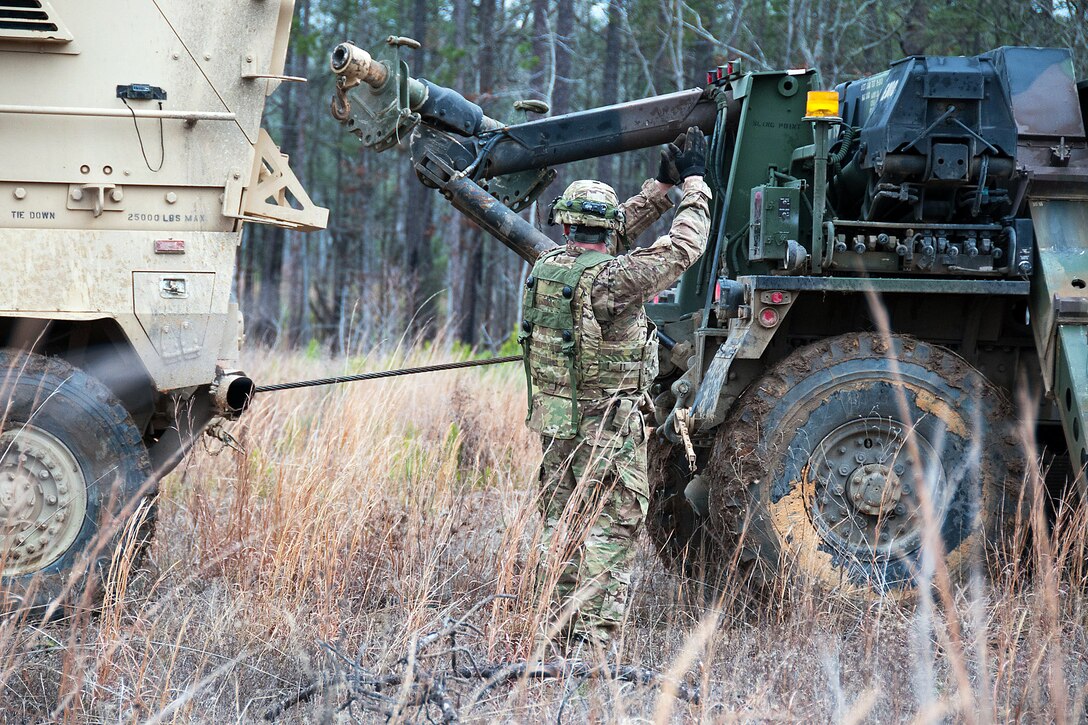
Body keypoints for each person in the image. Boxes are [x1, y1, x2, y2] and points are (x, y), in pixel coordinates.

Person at [518, 126, 712, 648]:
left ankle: (555, 635)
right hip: (609, 426)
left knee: (563, 523)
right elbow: (686, 245)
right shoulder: (614, 279)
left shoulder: (548, 269)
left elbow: (611, 233)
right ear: (606, 233)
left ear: (565, 227)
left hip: (559, 424)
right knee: (614, 527)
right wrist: (696, 185)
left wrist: (659, 189)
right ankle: (594, 647)